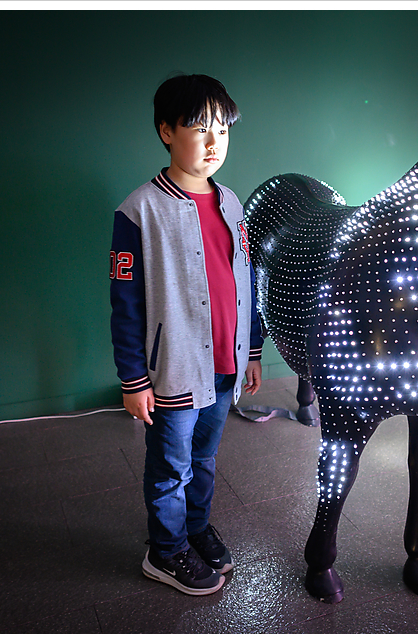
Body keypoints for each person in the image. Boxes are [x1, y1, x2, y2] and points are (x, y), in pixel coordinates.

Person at [109, 74, 263, 596]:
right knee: (170, 466)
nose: (214, 141)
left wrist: (253, 349)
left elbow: (246, 280)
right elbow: (125, 303)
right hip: (174, 367)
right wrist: (133, 378)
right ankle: (165, 549)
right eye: (199, 128)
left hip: (224, 363)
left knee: (203, 458)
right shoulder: (139, 210)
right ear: (166, 131)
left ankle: (195, 530)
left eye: (223, 129)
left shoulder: (232, 203)